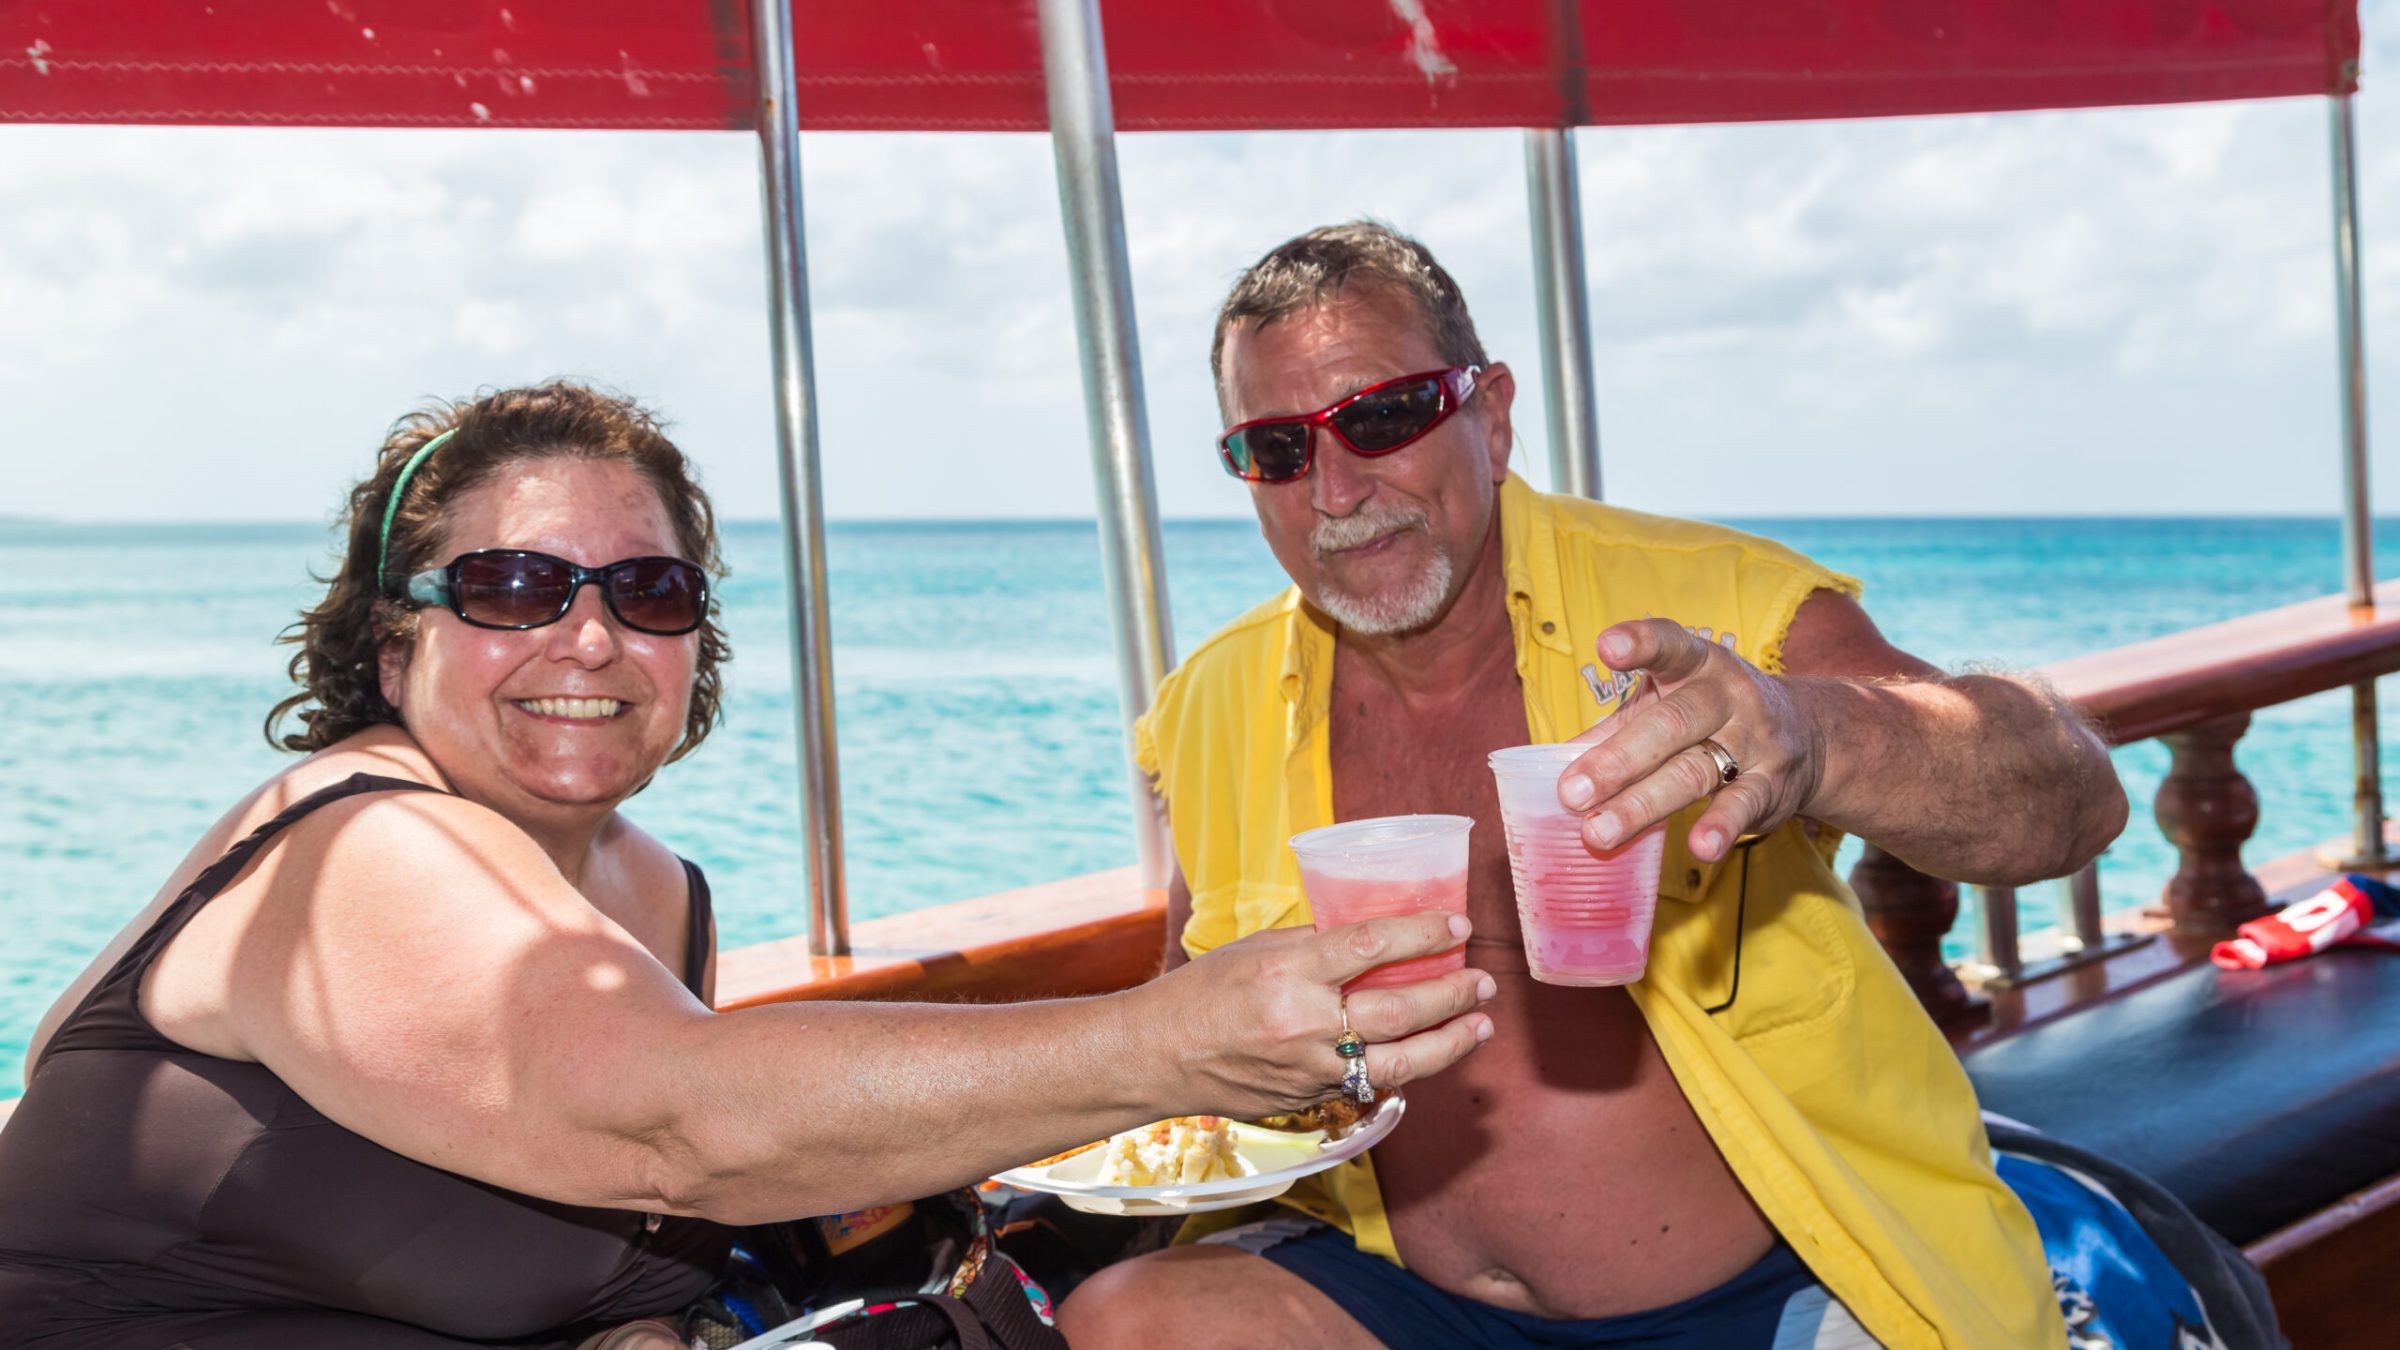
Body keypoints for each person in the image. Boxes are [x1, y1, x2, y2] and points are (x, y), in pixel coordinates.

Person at [0, 382, 1497, 1349]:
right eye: (513, 585)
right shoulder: (354, 846)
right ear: (394, 638)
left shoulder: (652, 895)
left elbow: (611, 1253)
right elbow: (675, 1126)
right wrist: (1181, 1039)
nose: (588, 637)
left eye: (646, 590)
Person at [1056, 223, 2133, 1349]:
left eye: (1380, 417)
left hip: (1775, 1286)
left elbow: (2070, 805)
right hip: (1395, 1288)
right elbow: (1192, 1019)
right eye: (1277, 448)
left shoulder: (1715, 611)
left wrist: (1813, 734)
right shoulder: (1208, 706)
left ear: (1495, 415)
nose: (1334, 488)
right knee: (1124, 1321)